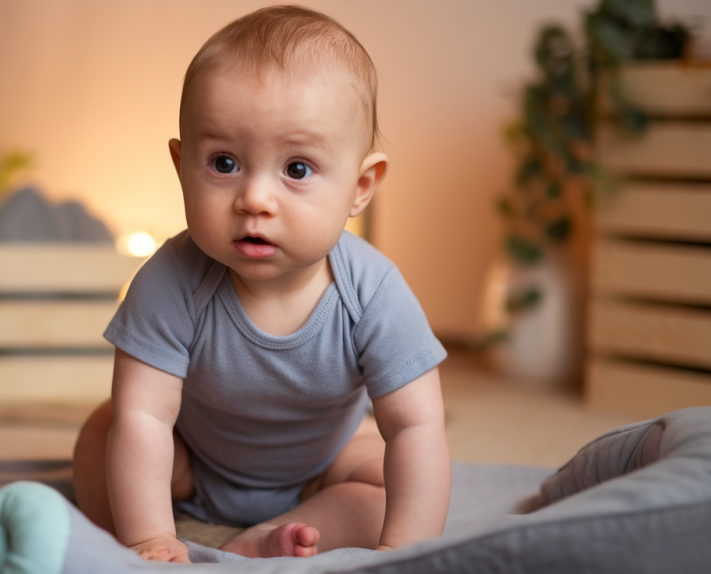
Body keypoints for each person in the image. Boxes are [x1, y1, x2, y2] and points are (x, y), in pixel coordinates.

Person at [73, 5, 449, 564]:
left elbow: (417, 424)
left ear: (360, 186)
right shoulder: (169, 281)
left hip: (324, 468)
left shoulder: (373, 293)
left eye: (297, 169)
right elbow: (145, 416)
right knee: (105, 433)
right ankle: (142, 545)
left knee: (397, 484)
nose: (254, 199)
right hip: (190, 461)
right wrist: (147, 537)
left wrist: (406, 549)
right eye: (224, 163)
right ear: (181, 166)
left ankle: (277, 532)